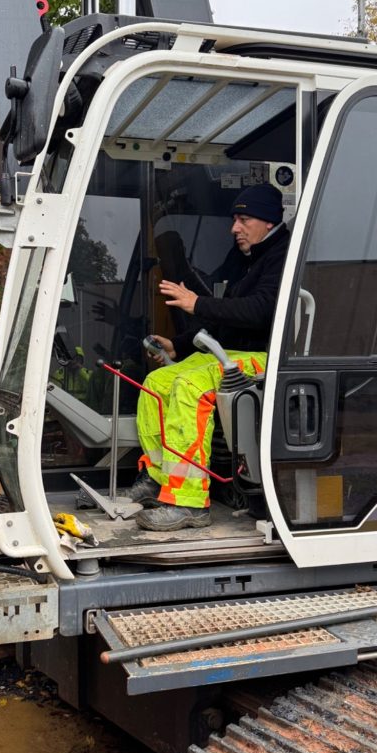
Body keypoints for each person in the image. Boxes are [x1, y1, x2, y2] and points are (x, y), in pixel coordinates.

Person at [130, 182, 289, 531]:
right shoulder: (245, 257)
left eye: (243, 220)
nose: (234, 228)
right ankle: (160, 480)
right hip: (233, 353)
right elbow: (225, 317)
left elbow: (260, 311)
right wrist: (178, 345)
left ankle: (189, 503)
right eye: (234, 220)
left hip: (268, 356)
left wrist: (197, 303)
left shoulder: (284, 255)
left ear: (268, 221)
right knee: (156, 383)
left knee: (190, 386)